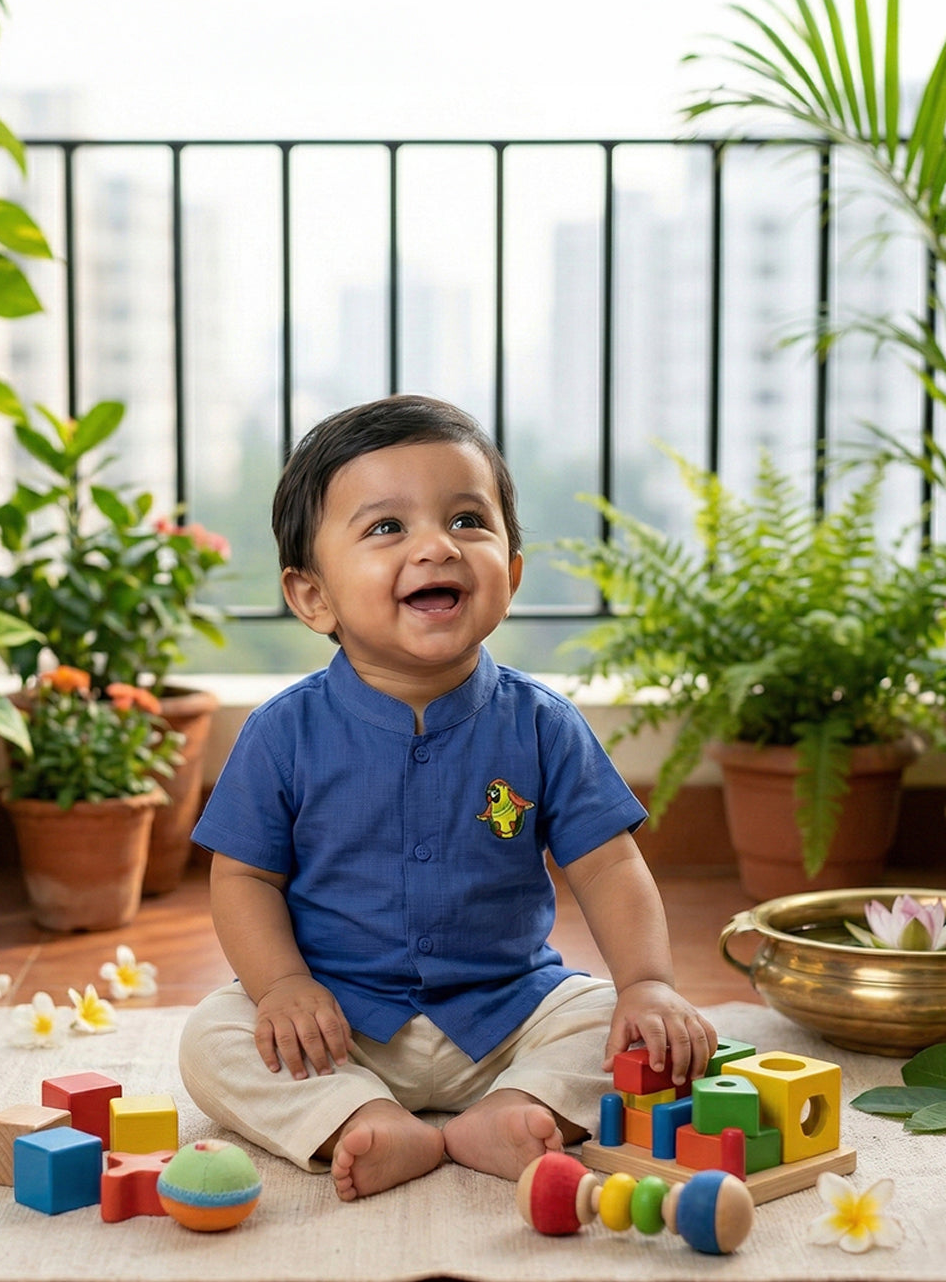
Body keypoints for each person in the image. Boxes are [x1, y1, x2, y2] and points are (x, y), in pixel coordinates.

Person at [180, 394, 717, 1202]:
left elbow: (609, 866)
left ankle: (508, 1110)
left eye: (468, 520)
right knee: (213, 1036)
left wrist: (646, 984)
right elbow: (244, 878)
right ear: (313, 596)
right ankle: (358, 1114)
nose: (437, 546)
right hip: (341, 1023)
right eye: (387, 527)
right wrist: (284, 986)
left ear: (513, 573)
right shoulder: (281, 733)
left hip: (508, 1015)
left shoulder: (542, 724)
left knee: (627, 1030)